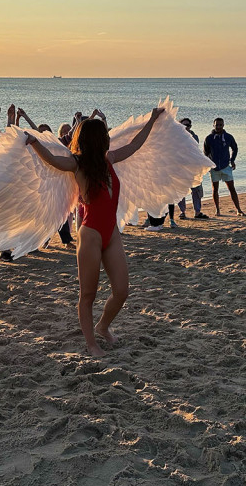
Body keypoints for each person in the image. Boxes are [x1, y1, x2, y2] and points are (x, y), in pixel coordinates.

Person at [25, 110, 165, 356]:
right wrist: (35, 142)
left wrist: (152, 120)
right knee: (88, 294)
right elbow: (53, 161)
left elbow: (134, 145)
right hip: (90, 234)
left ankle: (103, 326)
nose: (108, 139)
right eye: (104, 135)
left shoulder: (109, 159)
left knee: (122, 291)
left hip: (111, 233)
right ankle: (91, 343)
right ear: (96, 139)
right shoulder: (77, 163)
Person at [203, 118, 246, 217]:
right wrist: (208, 164)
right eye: (216, 125)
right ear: (213, 125)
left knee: (232, 188)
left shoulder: (228, 137)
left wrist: (232, 160)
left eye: (220, 125)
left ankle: (239, 210)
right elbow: (205, 153)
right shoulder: (209, 138)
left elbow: (235, 148)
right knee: (215, 189)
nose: (218, 127)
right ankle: (217, 210)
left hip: (226, 166)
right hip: (214, 168)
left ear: (223, 125)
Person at [177, 117, 208, 219]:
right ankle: (182, 212)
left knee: (196, 190)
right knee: (181, 190)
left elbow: (194, 151)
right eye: (184, 125)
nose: (186, 127)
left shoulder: (194, 137)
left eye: (188, 125)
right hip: (181, 168)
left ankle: (197, 212)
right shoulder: (176, 138)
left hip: (193, 167)